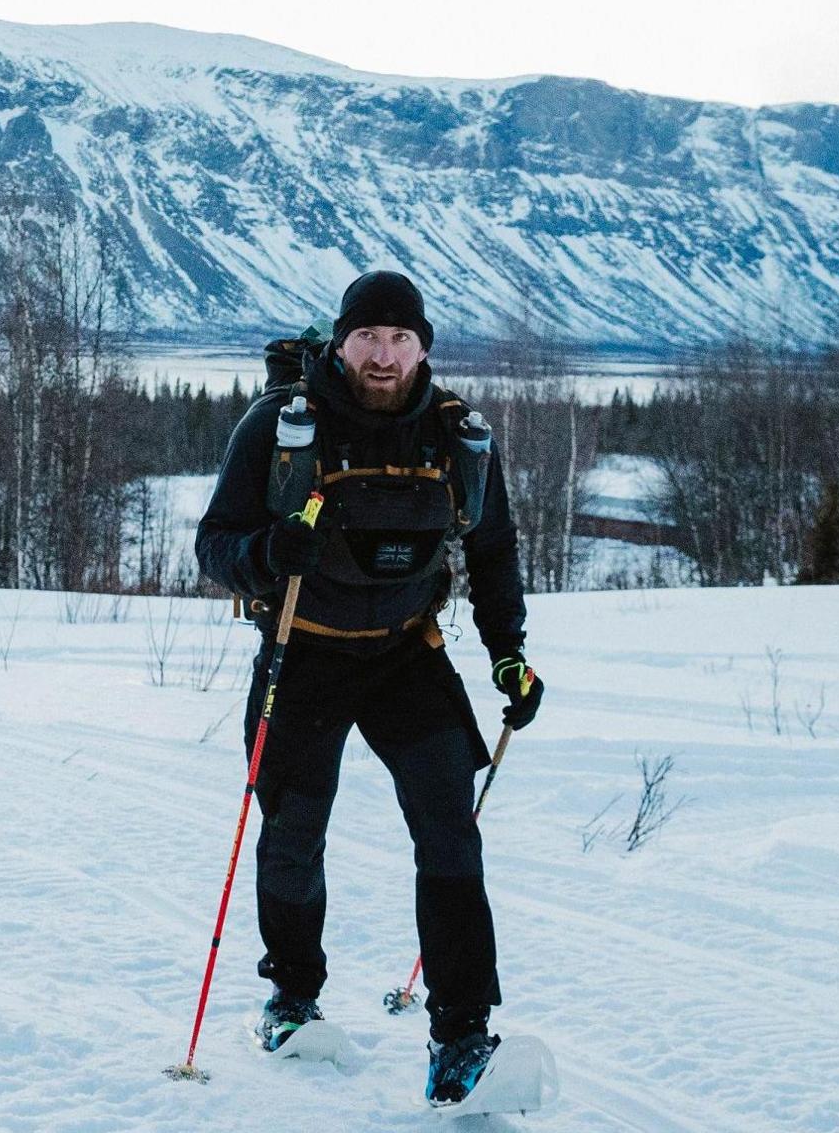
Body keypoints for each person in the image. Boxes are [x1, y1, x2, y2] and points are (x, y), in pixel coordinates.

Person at [194, 270, 545, 1105]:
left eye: (401, 340)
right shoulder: (280, 428)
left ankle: (462, 1040)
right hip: (304, 651)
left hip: (404, 654)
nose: (383, 356)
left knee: (450, 833)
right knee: (294, 832)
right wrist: (266, 555)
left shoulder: (458, 435)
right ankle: (292, 997)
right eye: (367, 338)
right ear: (341, 342)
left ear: (423, 348)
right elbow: (215, 544)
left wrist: (508, 654)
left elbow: (493, 549)